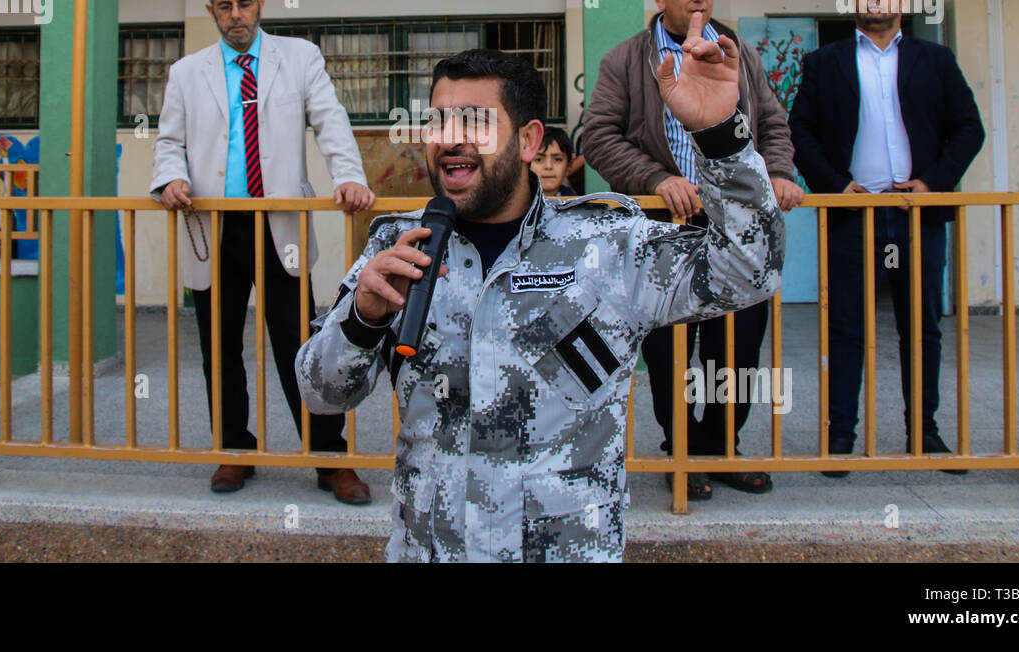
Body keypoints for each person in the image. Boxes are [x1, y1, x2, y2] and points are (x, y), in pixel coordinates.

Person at [297, 43, 785, 562]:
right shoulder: (399, 246)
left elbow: (751, 271)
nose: (451, 140)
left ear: (529, 140)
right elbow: (320, 396)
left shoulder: (608, 245)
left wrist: (721, 140)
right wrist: (362, 320)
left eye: (475, 123)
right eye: (439, 122)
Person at [150, 0, 376, 503]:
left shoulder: (298, 57)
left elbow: (330, 119)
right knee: (219, 346)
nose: (236, 16)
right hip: (215, 227)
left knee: (301, 348)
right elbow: (168, 142)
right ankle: (235, 451)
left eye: (244, 4)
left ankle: (328, 460)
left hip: (282, 228)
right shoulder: (187, 72)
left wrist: (348, 177)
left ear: (260, 4)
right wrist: (170, 177)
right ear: (211, 11)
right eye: (224, 7)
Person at [581, 0, 801, 500]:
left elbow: (772, 123)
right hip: (666, 230)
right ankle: (681, 453)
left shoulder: (737, 52)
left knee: (737, 349)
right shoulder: (624, 61)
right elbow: (597, 136)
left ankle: (720, 448)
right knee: (670, 351)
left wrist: (775, 173)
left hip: (737, 231)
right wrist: (656, 179)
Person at [788, 0, 984, 477]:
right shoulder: (824, 62)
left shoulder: (935, 60)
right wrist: (833, 185)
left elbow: (969, 128)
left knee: (921, 328)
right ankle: (841, 435)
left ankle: (925, 430)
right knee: (846, 327)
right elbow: (799, 131)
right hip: (854, 215)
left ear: (903, 0)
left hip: (916, 214)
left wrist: (932, 183)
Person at [531, 125, 577, 197]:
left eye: (557, 159)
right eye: (539, 159)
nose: (548, 166)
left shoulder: (575, 204)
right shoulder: (516, 204)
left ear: (568, 166)